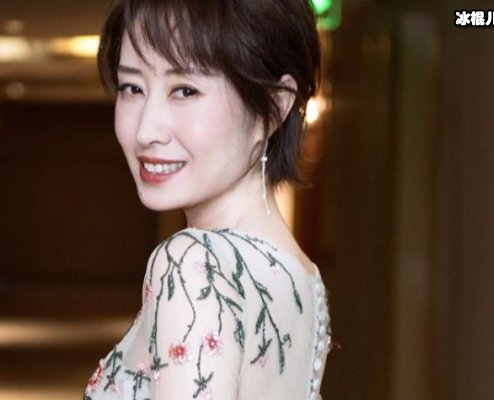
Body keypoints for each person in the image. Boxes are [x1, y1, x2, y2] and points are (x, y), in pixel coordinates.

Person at [85, 0, 332, 398]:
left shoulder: (193, 265)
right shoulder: (302, 278)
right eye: (132, 88)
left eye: (185, 90)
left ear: (274, 107)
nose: (146, 130)